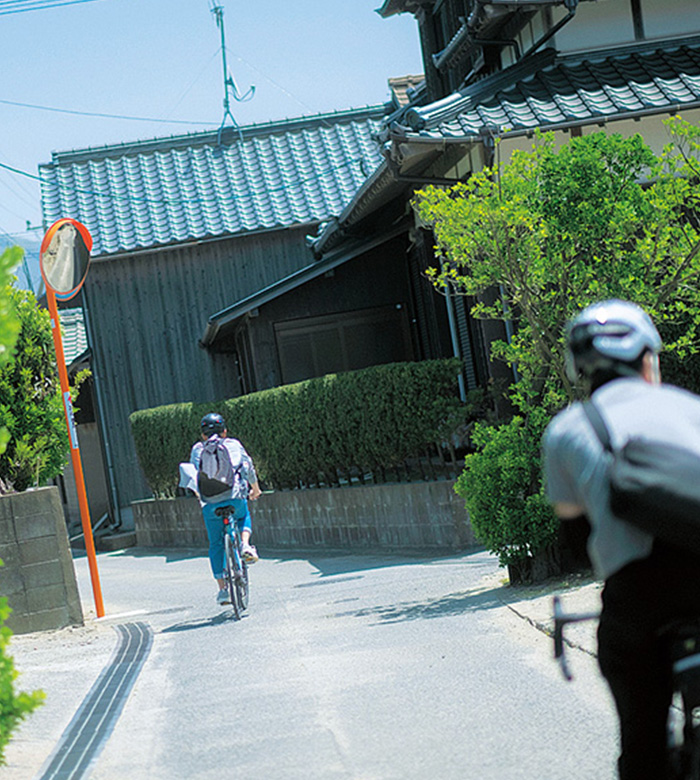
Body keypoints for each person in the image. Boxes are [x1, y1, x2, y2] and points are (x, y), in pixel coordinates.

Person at [543, 299, 700, 780]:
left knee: (642, 740)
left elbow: (576, 536)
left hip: (639, 599)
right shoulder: (692, 408)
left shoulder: (567, 430)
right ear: (648, 358)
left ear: (579, 368)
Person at [190, 412, 262, 606]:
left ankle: (223, 590)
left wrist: (201, 497)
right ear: (224, 431)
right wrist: (255, 488)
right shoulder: (233, 444)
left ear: (203, 435)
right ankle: (245, 545)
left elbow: (193, 477)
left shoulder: (197, 450)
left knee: (216, 544)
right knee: (243, 515)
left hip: (210, 504)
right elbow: (247, 467)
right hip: (234, 498)